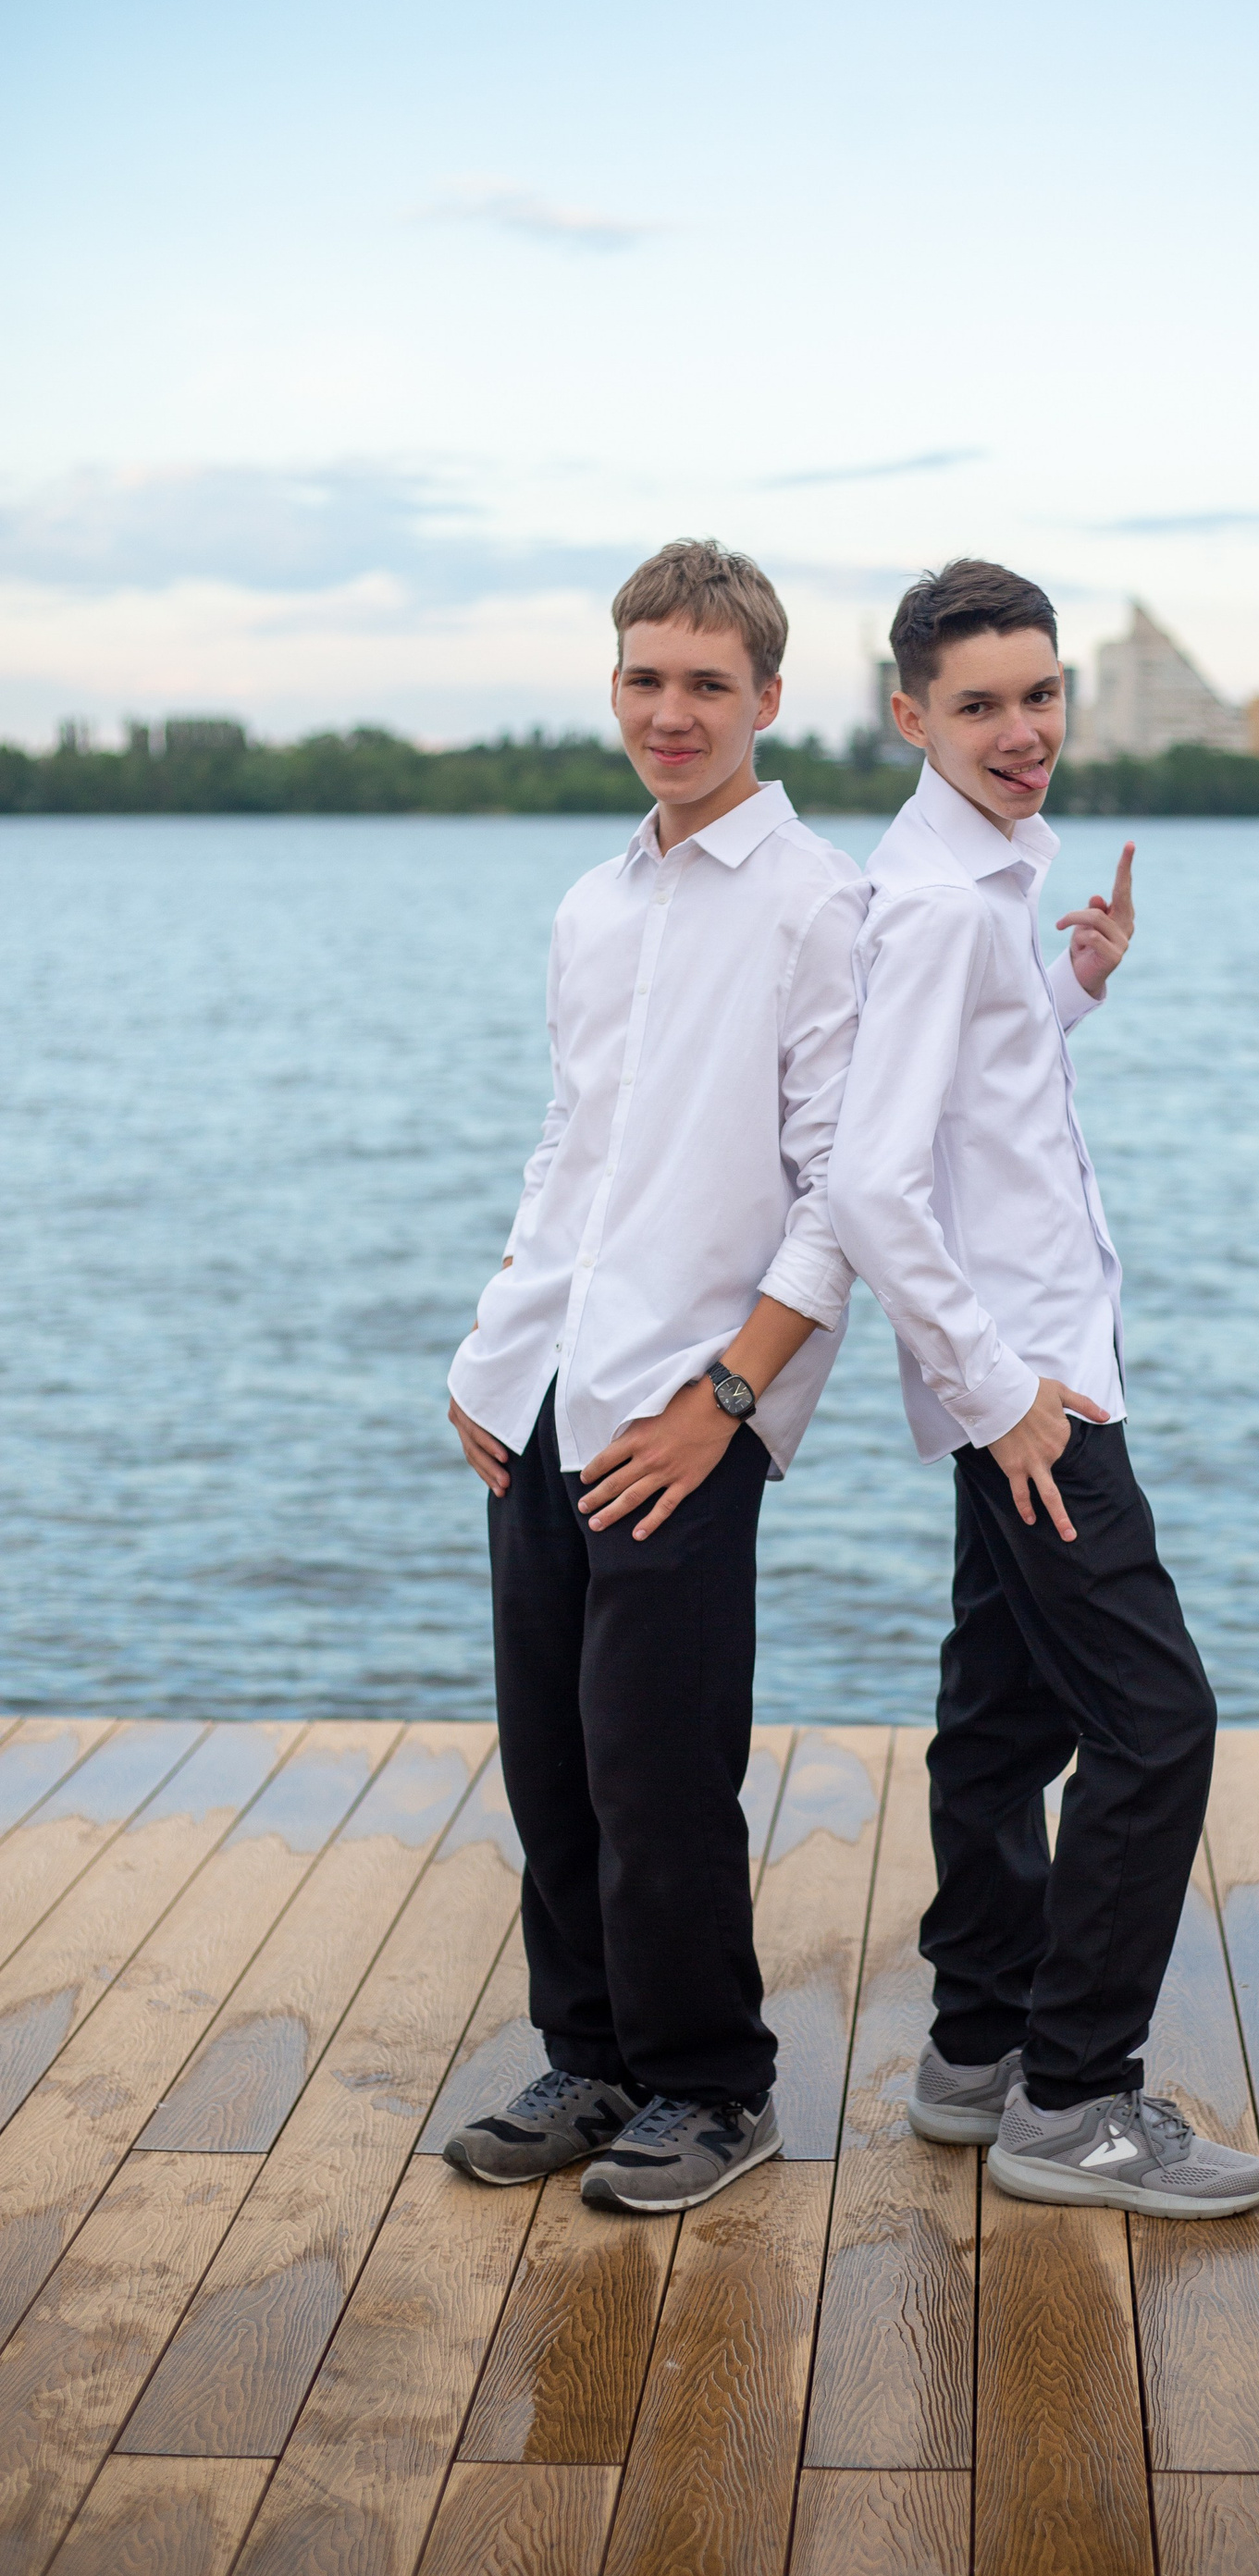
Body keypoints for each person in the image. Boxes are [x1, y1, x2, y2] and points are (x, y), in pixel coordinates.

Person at [827, 559, 1259, 2217]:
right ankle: (1074, 2097)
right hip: (1036, 1401)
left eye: (1041, 694)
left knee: (1004, 1719)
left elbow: (975, 1101)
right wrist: (1001, 1387)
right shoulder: (945, 904)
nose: (1023, 732)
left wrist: (1074, 983)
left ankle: (976, 2053)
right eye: (981, 706)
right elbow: (872, 1185)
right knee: (1158, 1725)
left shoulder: (974, 881)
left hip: (1018, 1381)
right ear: (911, 717)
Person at [442, 540, 865, 2212]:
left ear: (769, 698)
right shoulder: (591, 904)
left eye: (707, 683)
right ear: (612, 686)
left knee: (657, 1764)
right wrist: (496, 1336)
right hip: (543, 1385)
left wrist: (730, 1402)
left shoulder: (820, 904)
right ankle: (595, 2058)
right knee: (551, 1756)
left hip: (690, 1403)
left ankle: (711, 2085)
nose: (671, 712)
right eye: (645, 679)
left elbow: (843, 1192)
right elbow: (575, 1141)